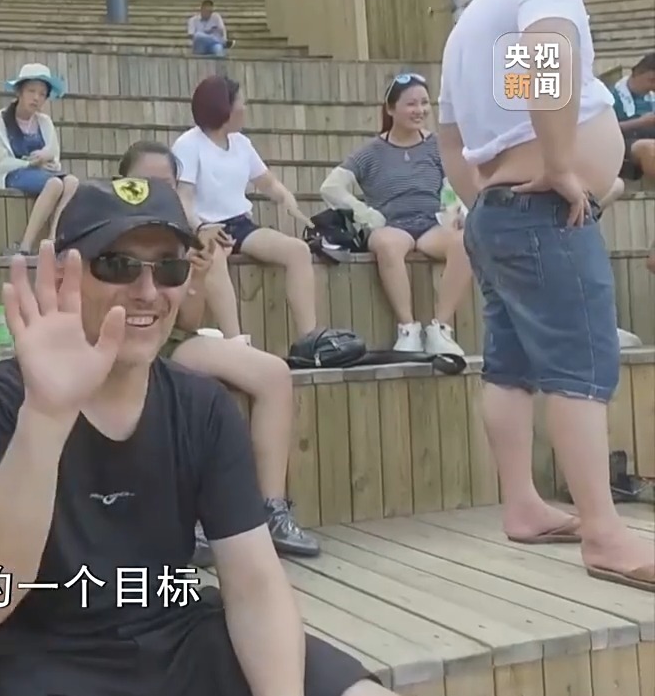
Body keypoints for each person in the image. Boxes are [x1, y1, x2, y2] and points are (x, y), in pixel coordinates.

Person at [0, 178, 402, 696]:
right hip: (41, 658)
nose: (147, 291)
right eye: (117, 265)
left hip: (178, 639)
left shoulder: (201, 407)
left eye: (169, 268)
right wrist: (46, 416)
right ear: (62, 276)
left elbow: (254, 584)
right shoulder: (0, 402)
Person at [437, 0, 653, 591]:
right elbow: (546, 51)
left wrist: (488, 202)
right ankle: (603, 532)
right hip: (543, 211)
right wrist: (558, 165)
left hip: (499, 210)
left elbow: (452, 136)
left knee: (510, 365)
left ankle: (523, 503)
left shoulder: (472, 20)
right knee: (579, 363)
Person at [119, 141, 319, 558]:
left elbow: (186, 321)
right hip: (117, 339)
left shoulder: (182, 239)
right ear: (123, 184)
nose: (156, 191)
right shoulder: (106, 232)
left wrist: (195, 277)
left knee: (274, 374)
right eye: (144, 182)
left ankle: (271, 509)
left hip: (170, 339)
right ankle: (179, 520)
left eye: (166, 183)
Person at [319, 74, 470, 355]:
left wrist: (457, 211)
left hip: (430, 224)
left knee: (465, 242)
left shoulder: (436, 145)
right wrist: (365, 214)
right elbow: (331, 187)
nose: (420, 110)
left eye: (424, 103)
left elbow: (454, 182)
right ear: (390, 109)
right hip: (391, 225)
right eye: (411, 104)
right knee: (388, 245)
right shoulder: (371, 152)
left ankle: (441, 328)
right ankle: (408, 327)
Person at [172, 75, 322, 343]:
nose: (245, 107)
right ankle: (236, 340)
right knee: (213, 258)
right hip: (204, 227)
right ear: (224, 108)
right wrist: (201, 227)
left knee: (298, 251)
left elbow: (267, 182)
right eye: (241, 102)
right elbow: (183, 197)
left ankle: (310, 339)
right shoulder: (188, 144)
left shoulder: (241, 143)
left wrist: (285, 198)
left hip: (240, 224)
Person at [0, 63, 80, 255]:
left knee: (72, 182)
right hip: (12, 173)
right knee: (55, 184)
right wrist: (29, 163)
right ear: (19, 92)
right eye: (31, 91)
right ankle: (25, 246)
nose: (36, 98)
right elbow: (0, 162)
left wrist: (47, 158)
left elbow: (54, 156)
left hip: (41, 173)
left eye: (42, 94)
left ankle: (53, 238)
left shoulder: (44, 122)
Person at [612, 53, 655, 181]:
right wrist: (641, 122)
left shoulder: (651, 97)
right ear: (636, 74)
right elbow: (605, 130)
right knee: (649, 148)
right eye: (652, 80)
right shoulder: (611, 96)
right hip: (623, 143)